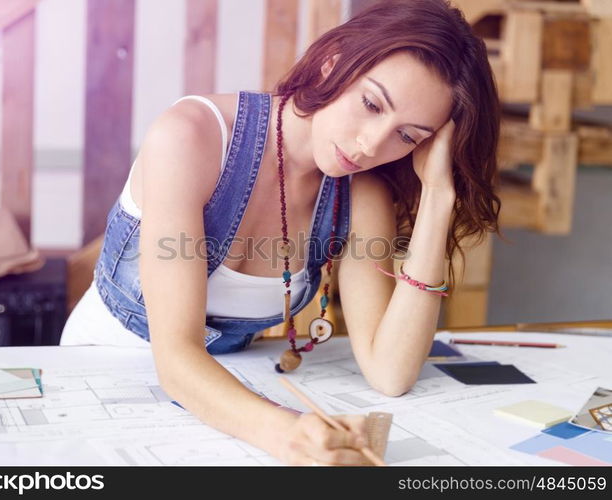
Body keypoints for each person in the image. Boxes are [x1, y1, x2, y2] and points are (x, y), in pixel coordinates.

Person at [60, 0, 501, 465]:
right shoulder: (192, 136)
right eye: (371, 104)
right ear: (335, 62)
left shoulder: (360, 191)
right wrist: (290, 434)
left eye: (408, 136)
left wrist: (437, 194)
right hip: (101, 376)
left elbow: (390, 372)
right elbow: (175, 357)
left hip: (225, 397)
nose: (372, 144)